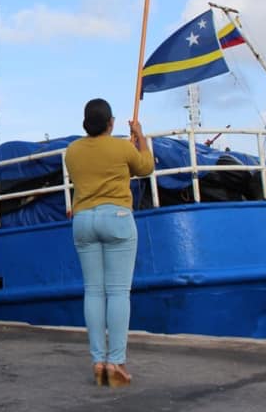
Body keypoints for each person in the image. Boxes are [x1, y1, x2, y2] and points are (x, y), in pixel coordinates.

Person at [64, 98, 153, 388]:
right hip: (115, 217)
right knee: (117, 293)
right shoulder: (121, 146)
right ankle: (115, 362)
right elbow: (146, 167)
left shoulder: (72, 151)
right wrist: (139, 137)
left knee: (93, 291)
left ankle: (98, 362)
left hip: (83, 220)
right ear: (110, 123)